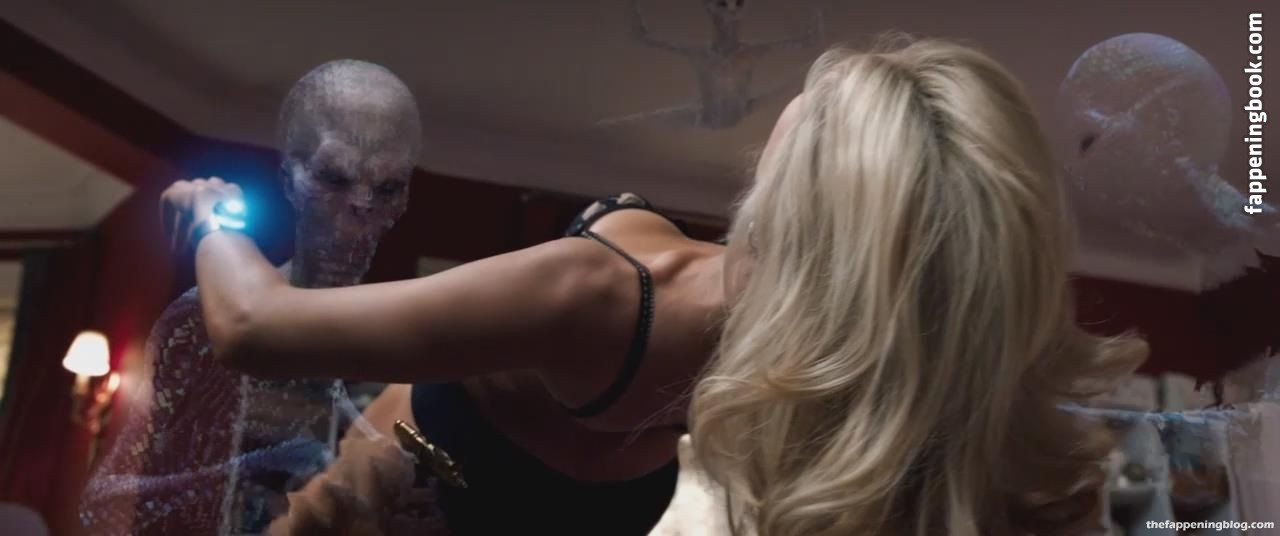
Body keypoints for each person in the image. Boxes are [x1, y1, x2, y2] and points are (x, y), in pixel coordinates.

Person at [650, 37, 1148, 535]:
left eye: (755, 235)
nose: (731, 260)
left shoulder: (700, 511)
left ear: (803, 301)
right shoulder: (1054, 506)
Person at [158, 180, 727, 536]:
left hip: (478, 466)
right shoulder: (602, 294)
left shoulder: (597, 293)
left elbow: (251, 326)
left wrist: (210, 216)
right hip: (537, 472)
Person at [81, 59, 422, 535]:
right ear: (290, 180)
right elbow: (132, 501)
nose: (362, 206)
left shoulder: (412, 339)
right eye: (334, 178)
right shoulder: (208, 316)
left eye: (387, 188)